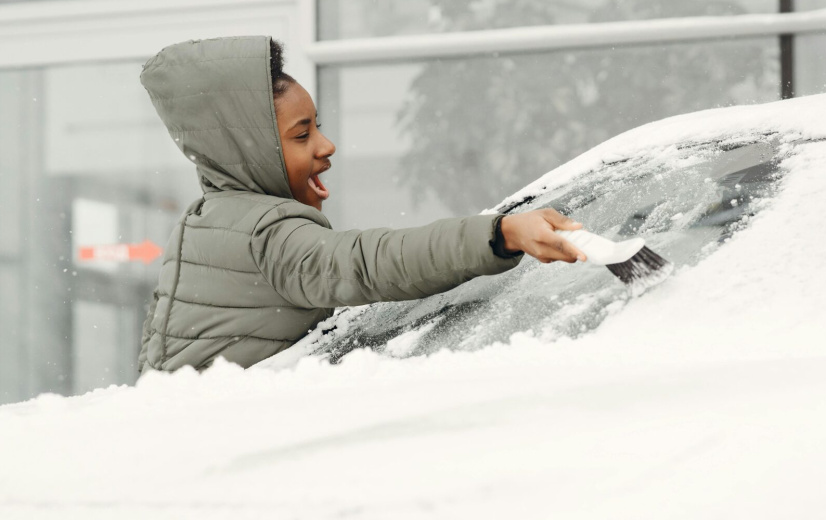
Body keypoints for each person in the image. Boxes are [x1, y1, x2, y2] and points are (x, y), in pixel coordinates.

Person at [137, 36, 586, 373]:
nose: (326, 145)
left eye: (318, 127)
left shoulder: (202, 223)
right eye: (301, 135)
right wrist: (499, 234)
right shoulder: (266, 232)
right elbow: (366, 264)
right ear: (251, 150)